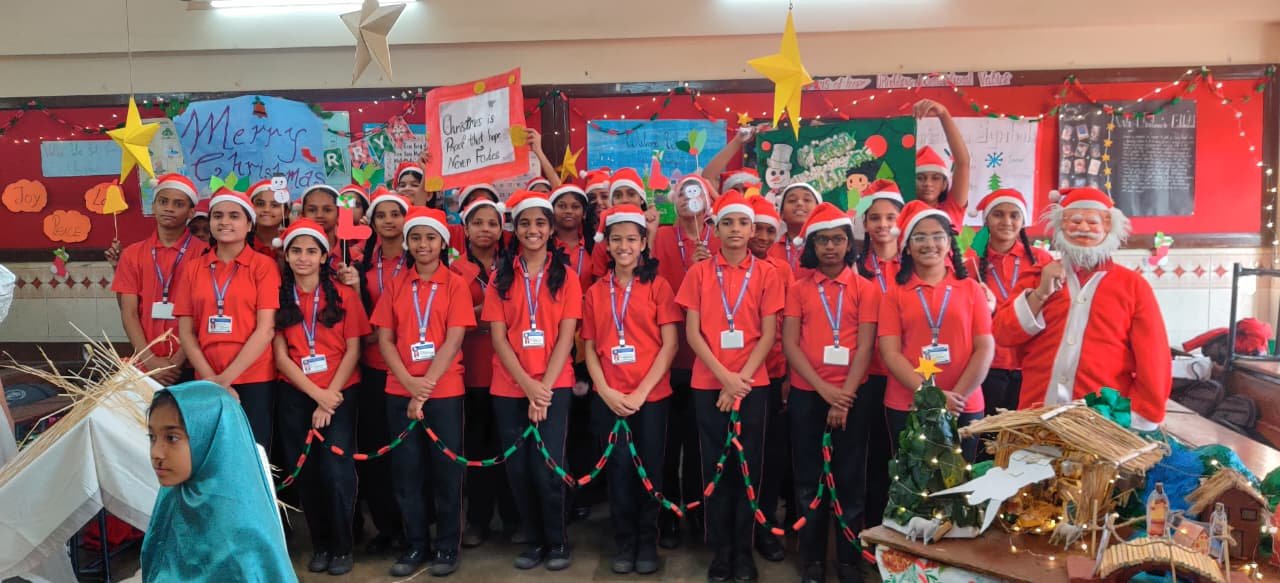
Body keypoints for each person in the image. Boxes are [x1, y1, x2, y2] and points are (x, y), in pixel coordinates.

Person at [992, 187, 1171, 430]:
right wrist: (1040, 293)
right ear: (1061, 225)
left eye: (1092, 222)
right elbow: (1003, 334)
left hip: (1102, 423)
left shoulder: (1133, 286)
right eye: (1075, 221)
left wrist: (1144, 415)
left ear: (1109, 227)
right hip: (1036, 413)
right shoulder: (1036, 277)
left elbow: (1154, 358)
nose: (1083, 228)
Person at [675, 191, 785, 583]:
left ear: (752, 229)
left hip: (753, 385)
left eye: (742, 223)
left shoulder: (768, 274)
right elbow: (693, 333)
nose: (735, 229)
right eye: (727, 223)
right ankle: (720, 551)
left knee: (748, 468)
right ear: (715, 229)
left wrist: (738, 383)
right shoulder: (699, 273)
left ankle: (744, 550)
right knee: (715, 469)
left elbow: (768, 334)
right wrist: (725, 378)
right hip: (709, 384)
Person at [481, 190, 582, 571]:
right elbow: (498, 338)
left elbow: (567, 337)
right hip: (510, 387)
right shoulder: (500, 277)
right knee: (519, 468)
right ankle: (534, 539)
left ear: (551, 229)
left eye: (540, 223)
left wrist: (543, 390)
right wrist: (527, 385)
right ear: (516, 229)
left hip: (554, 385)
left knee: (549, 466)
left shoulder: (567, 277)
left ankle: (558, 541)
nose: (532, 230)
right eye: (525, 223)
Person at [372, 207, 475, 577]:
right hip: (400, 389)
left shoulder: (455, 285)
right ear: (407, 243)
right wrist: (409, 384)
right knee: (407, 473)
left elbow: (454, 340)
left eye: (430, 237)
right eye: (415, 238)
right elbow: (385, 339)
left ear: (443, 242)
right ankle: (416, 545)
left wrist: (424, 387)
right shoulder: (396, 284)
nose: (423, 244)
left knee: (446, 473)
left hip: (443, 391)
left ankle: (447, 547)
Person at [581, 205, 681, 575]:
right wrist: (606, 391)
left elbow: (669, 345)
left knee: (650, 471)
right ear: (607, 245)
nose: (624, 246)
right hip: (610, 398)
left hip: (650, 398)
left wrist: (641, 393)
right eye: (617, 239)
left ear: (642, 243)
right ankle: (624, 543)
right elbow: (590, 349)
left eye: (631, 239)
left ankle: (647, 542)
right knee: (619, 471)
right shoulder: (595, 292)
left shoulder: (659, 286)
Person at [782, 203, 879, 583]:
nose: (830, 247)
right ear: (811, 246)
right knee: (809, 480)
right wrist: (823, 389)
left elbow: (866, 347)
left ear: (849, 243)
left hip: (853, 396)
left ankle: (848, 561)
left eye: (838, 239)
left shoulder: (866, 289)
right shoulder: (798, 289)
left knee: (850, 478)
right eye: (822, 240)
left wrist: (843, 396)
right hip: (808, 395)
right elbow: (790, 345)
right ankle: (812, 560)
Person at [272, 219, 370, 576]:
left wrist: (329, 398)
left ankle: (343, 546)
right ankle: (321, 544)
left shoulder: (344, 296)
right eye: (296, 251)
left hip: (340, 392)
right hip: (297, 393)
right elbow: (281, 356)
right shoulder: (278, 297)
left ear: (324, 256)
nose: (303, 258)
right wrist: (316, 396)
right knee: (307, 471)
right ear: (286, 255)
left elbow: (354, 349)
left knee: (336, 471)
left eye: (311, 251)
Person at [142, 382, 296, 582]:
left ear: (212, 436)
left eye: (172, 438)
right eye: (152, 437)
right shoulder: (173, 493)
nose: (156, 453)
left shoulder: (242, 529)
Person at [877, 201, 993, 460]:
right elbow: (890, 353)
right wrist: (932, 397)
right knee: (911, 479)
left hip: (964, 403)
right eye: (919, 237)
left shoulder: (972, 289)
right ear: (907, 247)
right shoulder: (894, 294)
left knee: (960, 480)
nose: (929, 244)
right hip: (908, 403)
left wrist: (955, 399)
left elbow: (985, 348)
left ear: (949, 243)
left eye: (937, 236)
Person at [173, 188, 281, 448]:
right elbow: (186, 331)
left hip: (254, 377)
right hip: (206, 377)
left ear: (249, 224)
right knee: (212, 450)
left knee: (253, 450)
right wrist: (211, 378)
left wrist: (225, 379)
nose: (224, 222)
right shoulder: (193, 268)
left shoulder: (263, 266)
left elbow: (266, 330)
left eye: (234, 216)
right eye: (218, 216)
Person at [651, 174, 720, 549]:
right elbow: (652, 287)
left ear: (708, 202)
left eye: (695, 193)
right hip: (667, 356)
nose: (687, 199)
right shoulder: (661, 236)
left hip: (706, 360)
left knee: (699, 443)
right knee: (666, 442)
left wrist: (705, 270)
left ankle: (697, 508)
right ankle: (667, 512)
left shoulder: (719, 238)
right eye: (681, 193)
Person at [458, 198, 521, 548]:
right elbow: (451, 319)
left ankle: (514, 518)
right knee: (477, 451)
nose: (485, 229)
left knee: (509, 448)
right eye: (478, 223)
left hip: (508, 372)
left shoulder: (513, 265)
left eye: (492, 223)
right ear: (465, 229)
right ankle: (478, 521)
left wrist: (482, 315)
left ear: (501, 229)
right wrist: (492, 313)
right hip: (470, 372)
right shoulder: (453, 269)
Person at [352, 188, 410, 554]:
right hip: (374, 370)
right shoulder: (360, 266)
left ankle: (416, 528)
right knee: (377, 452)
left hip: (412, 371)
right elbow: (356, 318)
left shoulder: (420, 258)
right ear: (371, 222)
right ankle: (388, 527)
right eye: (381, 215)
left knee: (410, 455)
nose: (389, 221)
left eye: (395, 214)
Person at [112, 174, 206, 385]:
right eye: (163, 202)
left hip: (194, 363)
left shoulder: (205, 254)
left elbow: (204, 314)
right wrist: (150, 361)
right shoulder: (132, 255)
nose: (169, 208)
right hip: (146, 363)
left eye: (178, 204)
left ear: (191, 212)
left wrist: (178, 361)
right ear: (153, 206)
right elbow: (129, 313)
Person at [964, 190, 1051, 417]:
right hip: (989, 365)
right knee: (988, 434)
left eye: (1014, 215)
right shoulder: (971, 265)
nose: (1006, 221)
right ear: (986, 220)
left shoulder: (1041, 260)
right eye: (998, 214)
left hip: (1032, 364)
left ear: (1023, 221)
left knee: (1027, 433)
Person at [851, 178, 904, 528]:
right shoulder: (855, 266)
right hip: (867, 374)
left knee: (902, 457)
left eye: (890, 217)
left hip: (905, 376)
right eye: (875, 218)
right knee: (868, 457)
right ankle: (870, 530)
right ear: (865, 223)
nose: (883, 225)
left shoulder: (913, 264)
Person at [745, 195, 792, 563]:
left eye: (769, 231)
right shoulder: (722, 267)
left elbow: (792, 326)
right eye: (757, 229)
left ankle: (764, 526)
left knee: (769, 457)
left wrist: (789, 374)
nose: (762, 236)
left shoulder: (782, 270)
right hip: (735, 377)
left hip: (773, 375)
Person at [913, 98, 971, 228]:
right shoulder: (903, 211)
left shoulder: (951, 209)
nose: (928, 183)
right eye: (920, 178)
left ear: (944, 184)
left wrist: (943, 114)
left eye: (935, 178)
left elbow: (963, 163)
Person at [771, 183, 821, 273]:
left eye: (807, 200)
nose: (799, 203)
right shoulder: (770, 249)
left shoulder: (826, 247)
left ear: (818, 211)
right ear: (781, 214)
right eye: (792, 200)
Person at [248, 179, 289, 259]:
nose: (266, 209)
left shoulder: (293, 242)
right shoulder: (240, 243)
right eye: (260, 204)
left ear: (286, 212)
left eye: (274, 205)